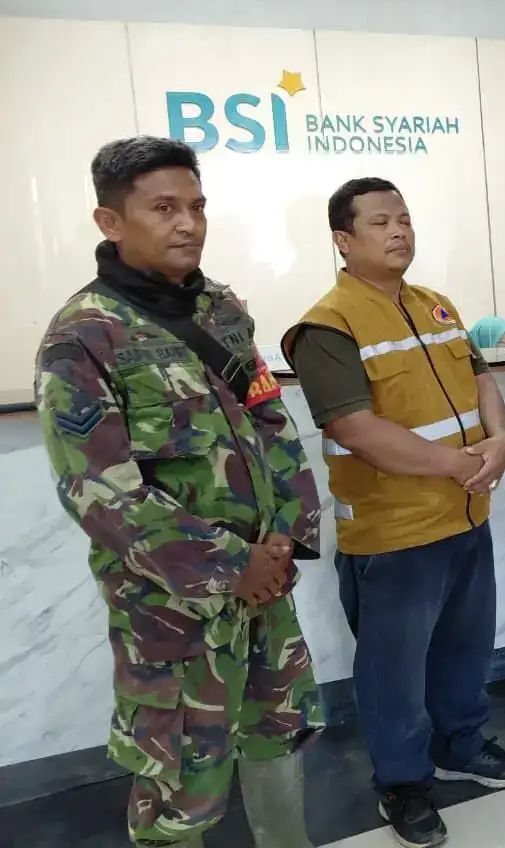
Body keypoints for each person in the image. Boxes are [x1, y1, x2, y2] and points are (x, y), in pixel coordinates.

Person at [35, 136, 323, 848]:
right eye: (164, 209)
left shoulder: (220, 310)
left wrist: (285, 538)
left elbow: (270, 420)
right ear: (110, 221)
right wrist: (234, 565)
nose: (189, 224)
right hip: (172, 616)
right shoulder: (83, 338)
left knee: (277, 740)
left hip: (264, 593)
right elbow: (102, 496)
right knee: (180, 793)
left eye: (196, 206)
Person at [283, 178, 505, 848]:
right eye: (380, 222)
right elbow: (355, 428)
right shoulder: (326, 326)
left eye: (405, 218)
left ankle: (462, 744)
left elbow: (481, 379)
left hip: (465, 516)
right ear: (343, 239)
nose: (399, 231)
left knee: (464, 650)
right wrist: (457, 463)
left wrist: (500, 438)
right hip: (393, 531)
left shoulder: (435, 305)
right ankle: (403, 782)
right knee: (394, 671)